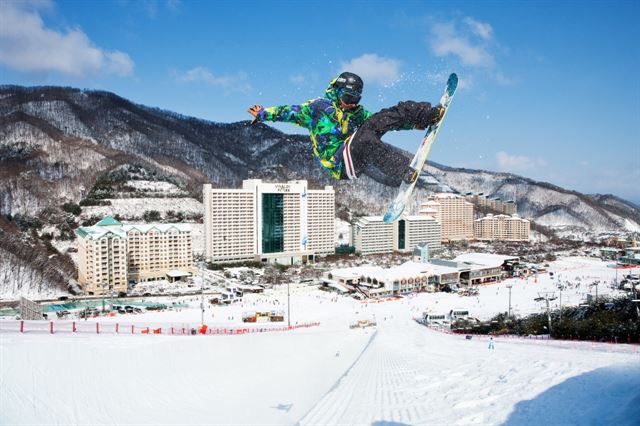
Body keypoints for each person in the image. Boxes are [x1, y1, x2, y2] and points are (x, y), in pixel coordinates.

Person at [248, 72, 444, 186]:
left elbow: (384, 123)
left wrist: (412, 124)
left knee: (384, 115)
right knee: (365, 139)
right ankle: (403, 170)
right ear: (337, 92)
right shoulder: (318, 108)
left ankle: (426, 115)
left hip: (357, 151)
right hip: (340, 162)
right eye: (348, 98)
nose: (352, 104)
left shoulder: (356, 113)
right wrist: (264, 113)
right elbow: (289, 112)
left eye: (356, 99)